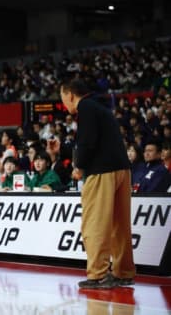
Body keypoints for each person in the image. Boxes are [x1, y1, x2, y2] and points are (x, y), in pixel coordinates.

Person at [60, 78, 135, 289]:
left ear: (70, 95)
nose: (64, 103)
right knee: (120, 225)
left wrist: (79, 166)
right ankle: (123, 272)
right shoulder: (100, 106)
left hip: (101, 171)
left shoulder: (85, 107)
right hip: (122, 169)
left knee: (95, 224)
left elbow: (87, 142)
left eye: (63, 98)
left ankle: (99, 275)